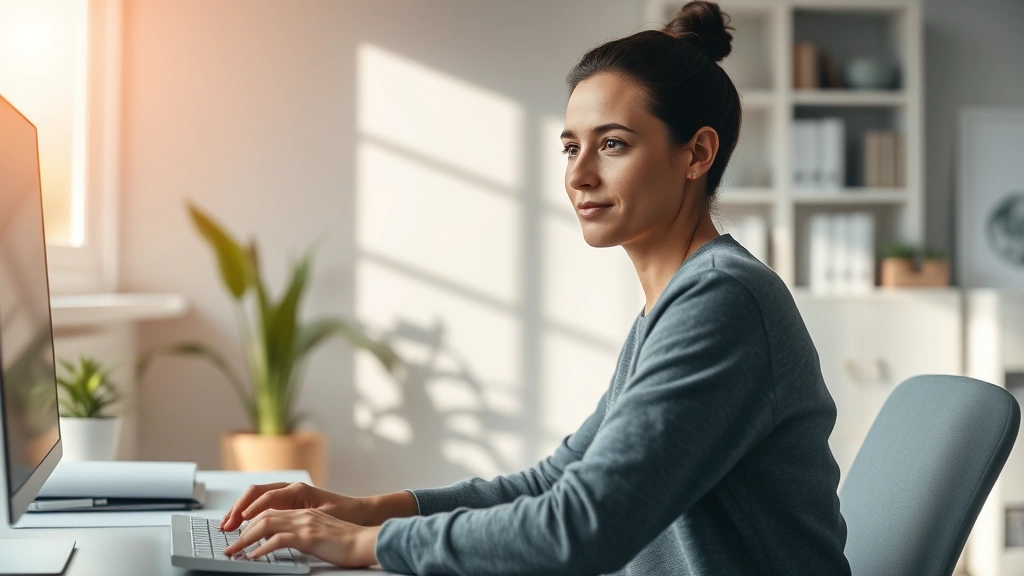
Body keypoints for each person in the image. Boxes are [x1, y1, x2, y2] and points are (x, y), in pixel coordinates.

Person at [221, 2, 852, 573]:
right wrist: (368, 511)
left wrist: (368, 547)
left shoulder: (723, 302)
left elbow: (584, 527)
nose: (579, 174)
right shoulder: (679, 303)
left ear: (696, 154)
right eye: (570, 147)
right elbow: (558, 480)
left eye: (613, 144)